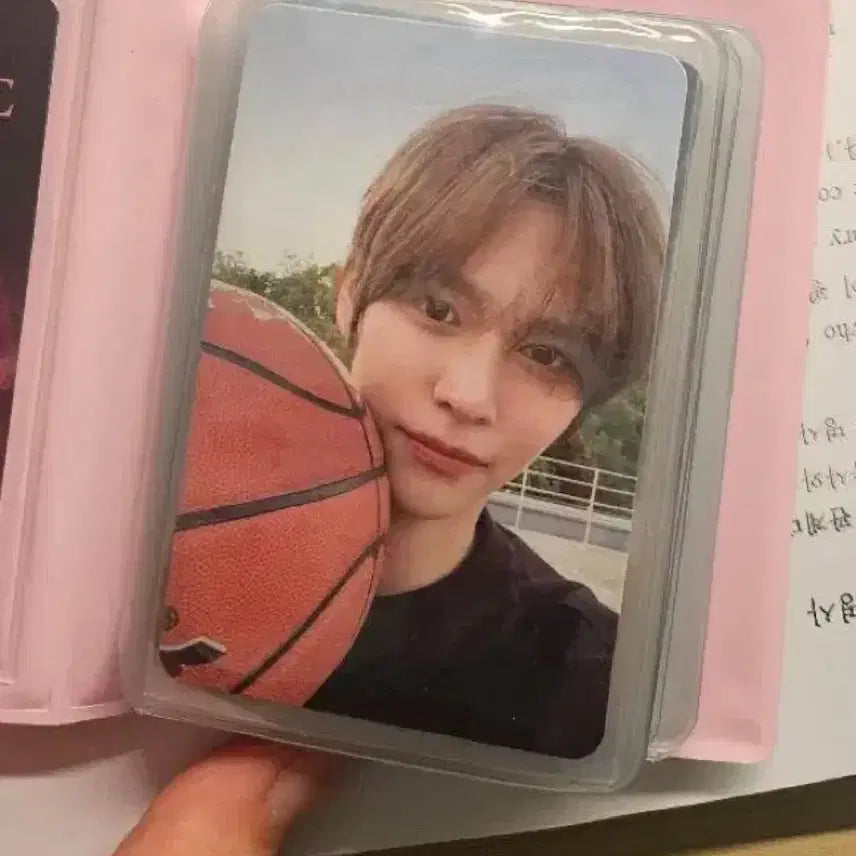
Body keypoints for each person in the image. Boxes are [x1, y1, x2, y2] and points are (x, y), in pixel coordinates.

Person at [303, 104, 666, 760]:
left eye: (547, 355)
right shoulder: (154, 537)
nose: (468, 395)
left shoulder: (592, 688)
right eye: (438, 309)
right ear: (349, 294)